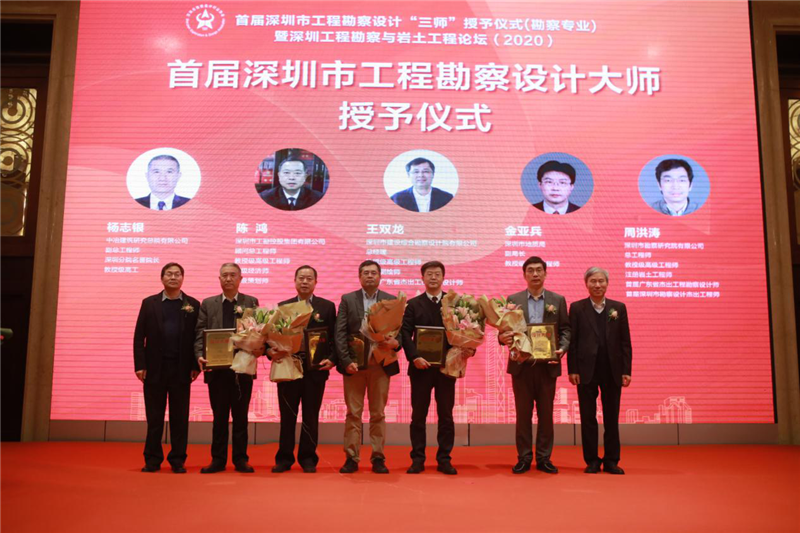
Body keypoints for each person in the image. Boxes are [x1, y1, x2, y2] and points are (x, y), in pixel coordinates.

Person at [499, 256, 570, 474]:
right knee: (523, 414)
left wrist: (562, 348)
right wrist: (503, 338)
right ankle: (524, 457)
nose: (535, 274)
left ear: (545, 273)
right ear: (524, 275)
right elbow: (505, 331)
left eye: (539, 270)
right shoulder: (514, 300)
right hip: (522, 366)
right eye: (530, 270)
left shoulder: (558, 300)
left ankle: (544, 458)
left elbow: (565, 330)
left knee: (546, 414)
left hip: (547, 365)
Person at [133, 262, 200, 473]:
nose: (173, 277)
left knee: (180, 418)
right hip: (154, 369)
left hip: (181, 370)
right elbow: (139, 337)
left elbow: (197, 338)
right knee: (154, 418)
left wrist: (195, 365)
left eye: (177, 274)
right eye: (169, 274)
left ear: (183, 278)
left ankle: (178, 460)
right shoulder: (149, 303)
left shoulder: (193, 304)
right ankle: (152, 460)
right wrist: (140, 365)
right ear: (161, 278)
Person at [334, 260, 400, 474]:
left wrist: (395, 343)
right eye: (365, 273)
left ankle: (378, 457)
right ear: (359, 277)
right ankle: (351, 457)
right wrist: (346, 361)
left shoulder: (391, 300)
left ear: (380, 276)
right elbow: (340, 333)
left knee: (378, 413)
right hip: (355, 365)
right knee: (353, 413)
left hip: (380, 364)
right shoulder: (348, 299)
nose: (370, 276)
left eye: (373, 273)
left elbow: (399, 331)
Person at [271, 265, 337, 473]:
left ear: (316, 282)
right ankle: (284, 458)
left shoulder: (327, 307)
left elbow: (334, 337)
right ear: (295, 281)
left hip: (315, 370)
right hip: (289, 367)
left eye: (309, 278)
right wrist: (271, 351)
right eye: (301, 278)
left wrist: (332, 359)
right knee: (287, 416)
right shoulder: (283, 306)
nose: (305, 282)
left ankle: (308, 458)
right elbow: (273, 336)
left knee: (311, 416)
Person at [194, 263, 259, 473]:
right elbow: (200, 333)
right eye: (224, 275)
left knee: (241, 417)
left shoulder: (251, 302)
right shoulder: (208, 304)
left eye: (232, 275)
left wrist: (258, 346)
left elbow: (258, 333)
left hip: (243, 368)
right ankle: (218, 460)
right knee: (219, 417)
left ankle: (241, 459)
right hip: (217, 370)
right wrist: (200, 355)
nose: (228, 279)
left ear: (240, 279)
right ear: (219, 279)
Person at [568, 267, 632, 475]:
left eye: (601, 281)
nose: (597, 285)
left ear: (607, 283)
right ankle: (592, 460)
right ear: (586, 284)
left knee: (611, 417)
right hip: (585, 370)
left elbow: (625, 342)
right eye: (593, 281)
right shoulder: (577, 308)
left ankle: (612, 460)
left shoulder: (618, 308)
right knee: (588, 417)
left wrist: (626, 370)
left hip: (612, 370)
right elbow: (573, 342)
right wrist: (572, 369)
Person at [401, 261, 458, 475]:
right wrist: (414, 357)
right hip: (420, 368)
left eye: (437, 274)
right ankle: (417, 459)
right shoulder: (413, 304)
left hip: (446, 369)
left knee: (446, 416)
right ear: (422, 278)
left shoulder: (454, 304)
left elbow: (462, 333)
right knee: (418, 416)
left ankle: (444, 459)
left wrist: (465, 350)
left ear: (443, 277)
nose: (433, 277)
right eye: (429, 274)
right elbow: (405, 334)